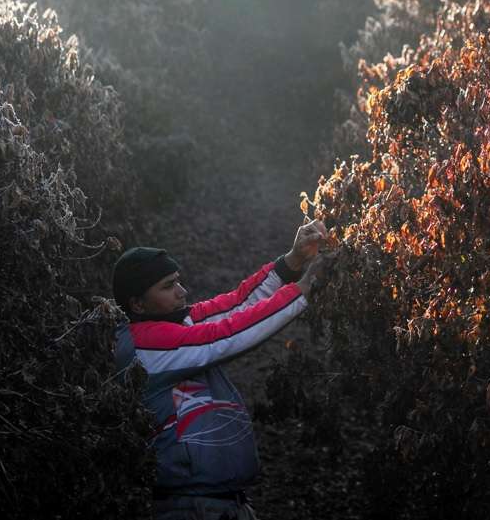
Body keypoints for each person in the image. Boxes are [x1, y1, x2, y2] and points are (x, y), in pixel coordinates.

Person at [112, 219, 334, 520]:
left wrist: (293, 261)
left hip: (221, 503)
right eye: (168, 286)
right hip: (187, 508)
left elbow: (236, 304)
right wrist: (303, 289)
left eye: (178, 280)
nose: (182, 291)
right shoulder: (142, 345)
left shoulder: (177, 321)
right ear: (137, 305)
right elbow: (224, 336)